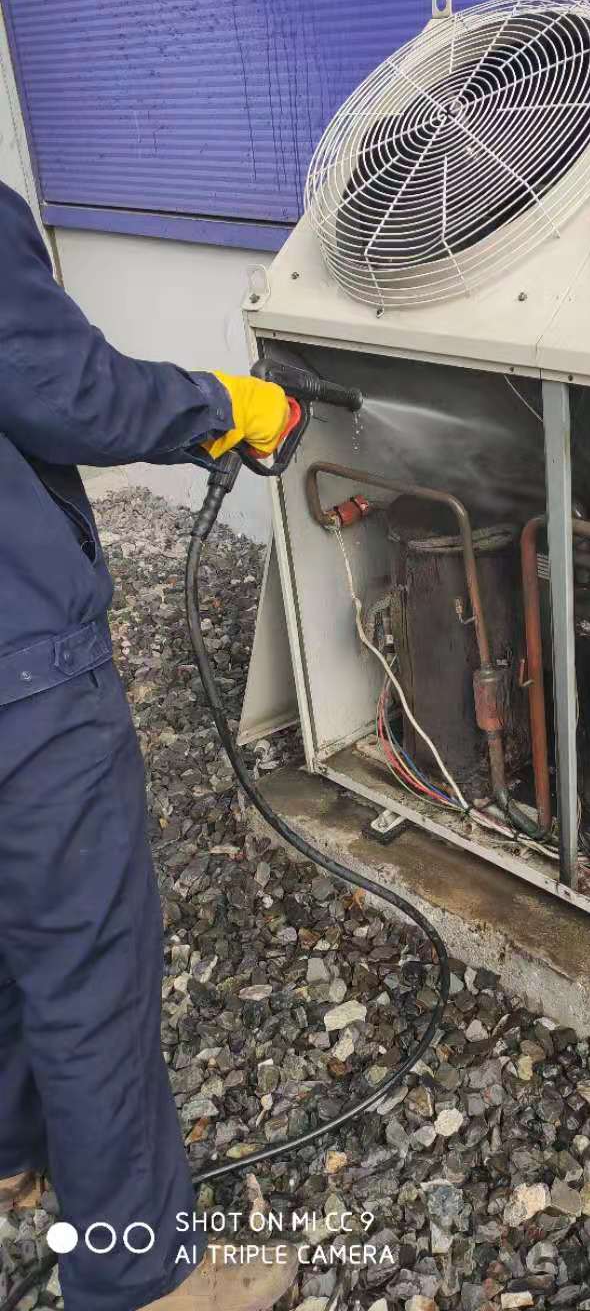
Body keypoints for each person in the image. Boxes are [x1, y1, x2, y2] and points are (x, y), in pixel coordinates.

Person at [0, 180, 301, 1311]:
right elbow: (68, 393)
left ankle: (12, 1150)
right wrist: (225, 405)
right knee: (86, 967)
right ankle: (139, 1278)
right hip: (18, 665)